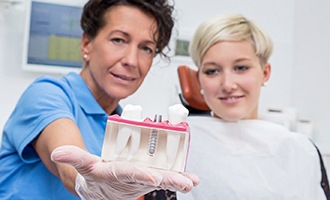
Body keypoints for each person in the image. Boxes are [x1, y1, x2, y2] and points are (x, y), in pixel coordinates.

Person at [0, 0, 199, 199]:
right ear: (87, 44)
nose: (131, 60)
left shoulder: (123, 125)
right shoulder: (46, 95)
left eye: (146, 48)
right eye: (118, 40)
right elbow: (68, 165)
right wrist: (86, 183)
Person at [177, 14, 329, 200]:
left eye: (241, 68)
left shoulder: (299, 150)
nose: (228, 84)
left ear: (265, 73)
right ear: (199, 78)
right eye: (212, 71)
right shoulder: (177, 143)